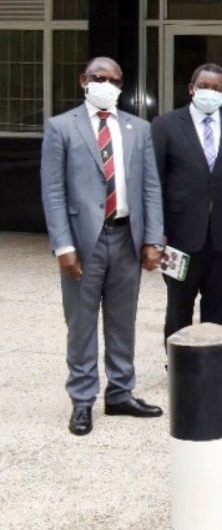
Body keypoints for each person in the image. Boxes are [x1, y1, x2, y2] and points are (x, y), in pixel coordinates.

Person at [41, 57, 166, 436]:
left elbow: (150, 187)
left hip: (127, 238)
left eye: (114, 80)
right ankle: (82, 400)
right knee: (80, 323)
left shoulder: (137, 128)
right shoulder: (61, 127)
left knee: (122, 321)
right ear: (84, 81)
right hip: (84, 242)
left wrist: (153, 239)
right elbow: (53, 192)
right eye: (99, 78)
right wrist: (63, 245)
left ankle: (120, 393)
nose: (106, 85)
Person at [152, 64, 222, 343]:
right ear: (191, 89)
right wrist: (157, 230)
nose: (209, 93)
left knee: (219, 305)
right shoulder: (165, 126)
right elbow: (153, 182)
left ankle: (210, 365)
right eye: (204, 86)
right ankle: (178, 368)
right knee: (179, 306)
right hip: (180, 238)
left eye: (217, 88)